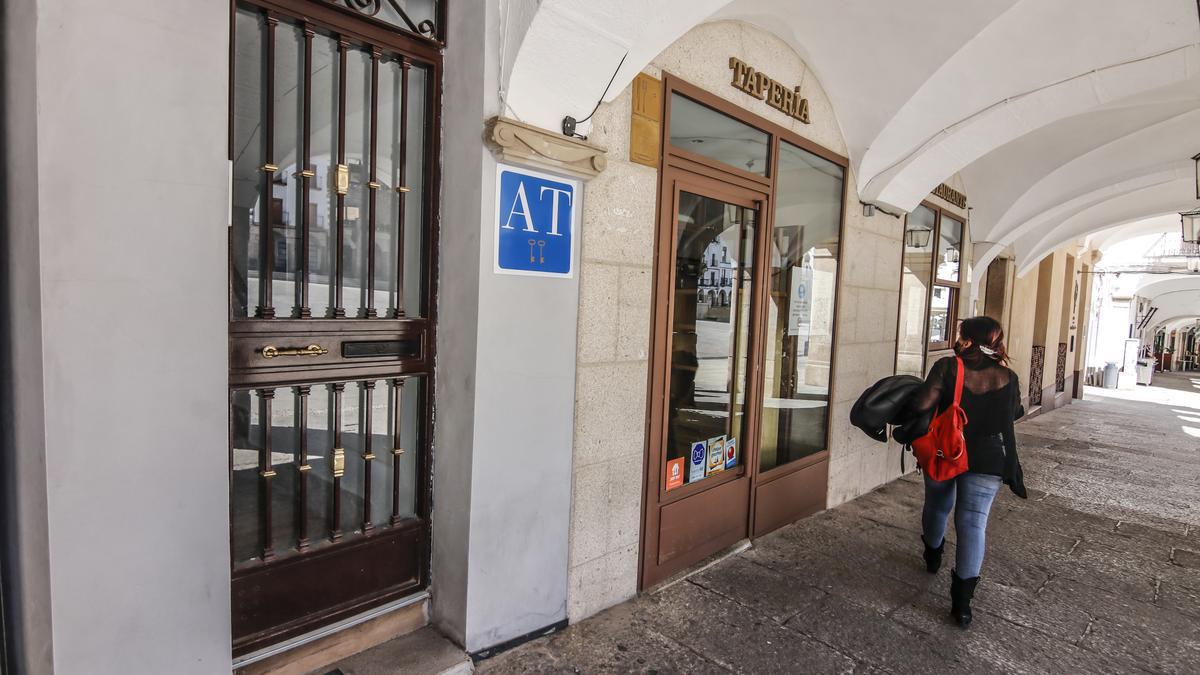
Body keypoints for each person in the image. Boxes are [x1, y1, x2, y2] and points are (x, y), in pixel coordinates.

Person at [908, 316, 1025, 628]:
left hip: (946, 452)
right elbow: (1016, 412)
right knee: (973, 523)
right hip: (988, 459)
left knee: (937, 504)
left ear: (968, 340)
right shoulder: (1008, 377)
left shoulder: (948, 367)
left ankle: (933, 556)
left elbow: (922, 403)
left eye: (961, 336)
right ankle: (961, 607)